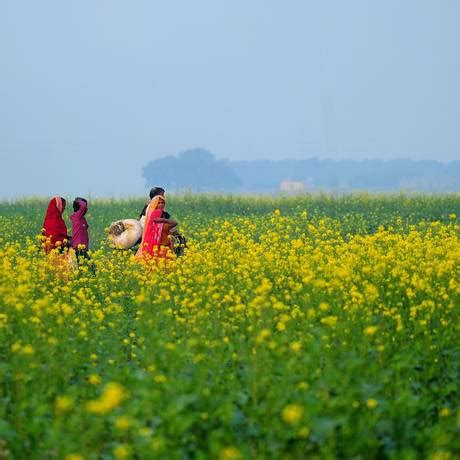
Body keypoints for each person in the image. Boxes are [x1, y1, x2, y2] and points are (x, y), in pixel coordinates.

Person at [136, 195, 177, 260]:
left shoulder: (161, 224)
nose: (161, 204)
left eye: (163, 203)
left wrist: (162, 220)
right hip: (162, 251)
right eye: (159, 203)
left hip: (163, 250)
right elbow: (175, 223)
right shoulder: (162, 226)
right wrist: (163, 220)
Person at [70, 197, 95, 274]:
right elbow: (83, 207)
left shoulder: (81, 217)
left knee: (82, 266)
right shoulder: (77, 216)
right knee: (91, 266)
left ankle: (81, 278)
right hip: (79, 247)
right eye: (86, 207)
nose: (86, 208)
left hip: (82, 246)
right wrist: (79, 201)